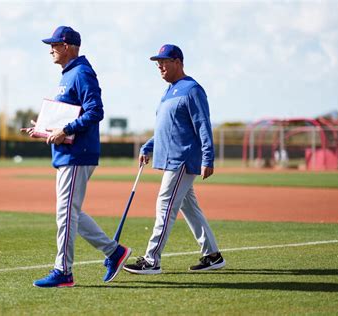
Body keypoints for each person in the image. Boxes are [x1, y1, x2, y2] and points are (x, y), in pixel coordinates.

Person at [28, 26, 131, 287]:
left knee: (66, 213)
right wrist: (44, 129)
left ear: (68, 46)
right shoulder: (69, 74)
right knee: (70, 212)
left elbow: (96, 111)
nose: (50, 49)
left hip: (78, 153)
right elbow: (67, 116)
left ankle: (64, 271)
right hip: (68, 154)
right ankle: (114, 252)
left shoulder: (82, 73)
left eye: (55, 44)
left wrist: (66, 129)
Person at [123, 44, 225, 274]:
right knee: (189, 208)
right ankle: (213, 255)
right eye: (157, 62)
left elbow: (202, 125)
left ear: (178, 62)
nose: (159, 66)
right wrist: (148, 146)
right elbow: (164, 129)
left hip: (183, 158)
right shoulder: (169, 91)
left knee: (165, 204)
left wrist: (208, 157)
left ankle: (151, 260)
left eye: (164, 61)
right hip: (170, 158)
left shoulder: (192, 89)